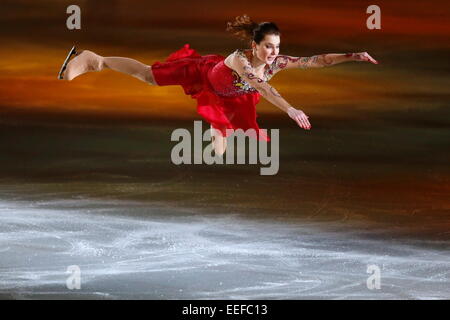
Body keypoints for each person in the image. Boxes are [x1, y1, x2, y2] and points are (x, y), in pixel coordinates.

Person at [58, 14, 378, 155]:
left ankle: (219, 124)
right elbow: (263, 87)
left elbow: (317, 60)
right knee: (148, 76)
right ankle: (94, 59)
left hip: (231, 97)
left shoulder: (278, 63)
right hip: (203, 73)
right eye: (268, 47)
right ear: (254, 46)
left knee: (226, 139)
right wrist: (291, 109)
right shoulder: (240, 59)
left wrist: (353, 55)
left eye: (277, 47)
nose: (274, 53)